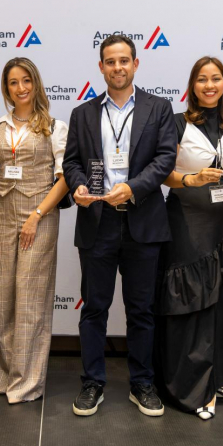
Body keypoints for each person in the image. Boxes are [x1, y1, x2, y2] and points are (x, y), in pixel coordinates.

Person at [62, 35, 176, 417]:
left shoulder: (159, 108)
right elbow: (71, 162)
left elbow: (165, 159)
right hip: (98, 221)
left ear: (135, 64)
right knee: (94, 308)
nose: (118, 67)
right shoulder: (82, 113)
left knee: (141, 310)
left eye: (124, 60)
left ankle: (142, 384)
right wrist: (78, 185)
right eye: (110, 61)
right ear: (101, 67)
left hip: (142, 219)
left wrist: (133, 188)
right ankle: (92, 382)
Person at [155, 57, 223, 421]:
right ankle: (191, 385)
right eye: (202, 79)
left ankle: (219, 376)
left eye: (216, 79)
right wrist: (191, 179)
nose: (209, 85)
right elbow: (163, 172)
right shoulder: (176, 122)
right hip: (187, 220)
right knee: (193, 303)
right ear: (192, 86)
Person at [0, 57, 69, 404]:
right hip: (2, 218)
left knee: (30, 300)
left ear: (36, 83)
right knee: (3, 300)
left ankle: (27, 382)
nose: (21, 88)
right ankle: (6, 376)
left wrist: (36, 216)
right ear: (6, 88)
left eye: (26, 80)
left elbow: (63, 180)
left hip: (39, 218)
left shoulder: (54, 127)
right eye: (14, 82)